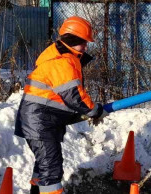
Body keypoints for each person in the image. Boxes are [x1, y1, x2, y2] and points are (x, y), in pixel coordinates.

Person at [15, 16, 107, 194]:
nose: (86, 47)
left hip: (41, 120)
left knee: (44, 167)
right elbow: (74, 97)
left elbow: (60, 98)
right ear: (73, 41)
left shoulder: (60, 57)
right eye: (83, 43)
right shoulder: (63, 61)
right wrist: (95, 110)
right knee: (51, 170)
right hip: (40, 122)